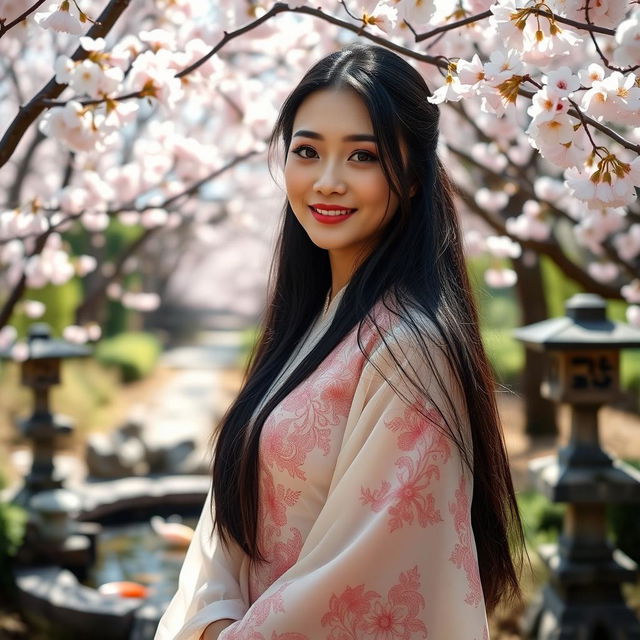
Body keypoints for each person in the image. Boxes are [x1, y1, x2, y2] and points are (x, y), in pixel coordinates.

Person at [154, 43, 524, 640]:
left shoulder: (410, 347)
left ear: (412, 176)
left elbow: (367, 571)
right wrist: (210, 614)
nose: (327, 182)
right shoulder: (313, 323)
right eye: (307, 151)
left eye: (362, 155)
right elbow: (231, 515)